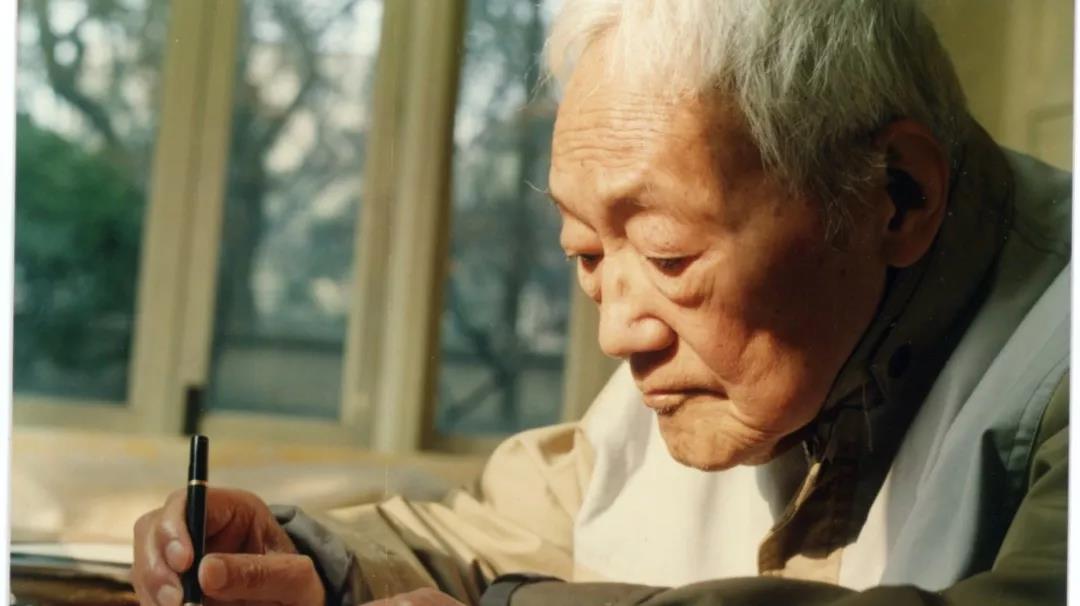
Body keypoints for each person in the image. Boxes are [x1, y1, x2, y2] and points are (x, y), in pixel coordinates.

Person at [131, 1, 1070, 605]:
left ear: (895, 194)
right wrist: (304, 561)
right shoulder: (700, 357)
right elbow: (499, 537)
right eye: (584, 252)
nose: (618, 330)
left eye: (667, 253)